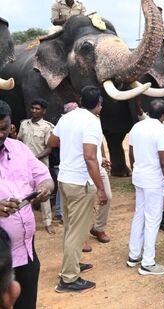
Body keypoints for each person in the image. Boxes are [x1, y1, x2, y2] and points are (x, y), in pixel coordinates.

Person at [48, 86, 107, 293]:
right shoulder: (92, 122)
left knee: (70, 228)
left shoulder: (68, 117)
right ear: (99, 104)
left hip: (64, 180)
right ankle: (69, 279)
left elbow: (52, 141)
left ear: (81, 100)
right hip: (81, 183)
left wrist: (70, 139)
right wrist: (100, 188)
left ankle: (71, 266)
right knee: (77, 231)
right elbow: (90, 157)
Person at [0, 100, 54, 308]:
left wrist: (45, 188)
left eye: (4, 129)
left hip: (27, 254)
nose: (0, 135)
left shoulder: (20, 149)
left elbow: (45, 177)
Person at [127, 99, 164, 276]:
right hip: (154, 181)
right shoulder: (162, 131)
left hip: (139, 178)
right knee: (153, 219)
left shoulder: (137, 127)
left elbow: (131, 153)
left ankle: (134, 256)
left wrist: (135, 169)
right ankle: (148, 262)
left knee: (139, 215)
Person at [17, 99, 55, 234]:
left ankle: (48, 223)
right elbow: (19, 141)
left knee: (43, 193)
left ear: (44, 111)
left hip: (40, 167)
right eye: (32, 108)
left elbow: (49, 149)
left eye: (37, 109)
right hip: (23, 166)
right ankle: (26, 222)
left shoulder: (47, 127)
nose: (34, 110)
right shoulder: (24, 124)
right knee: (25, 192)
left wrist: (32, 159)